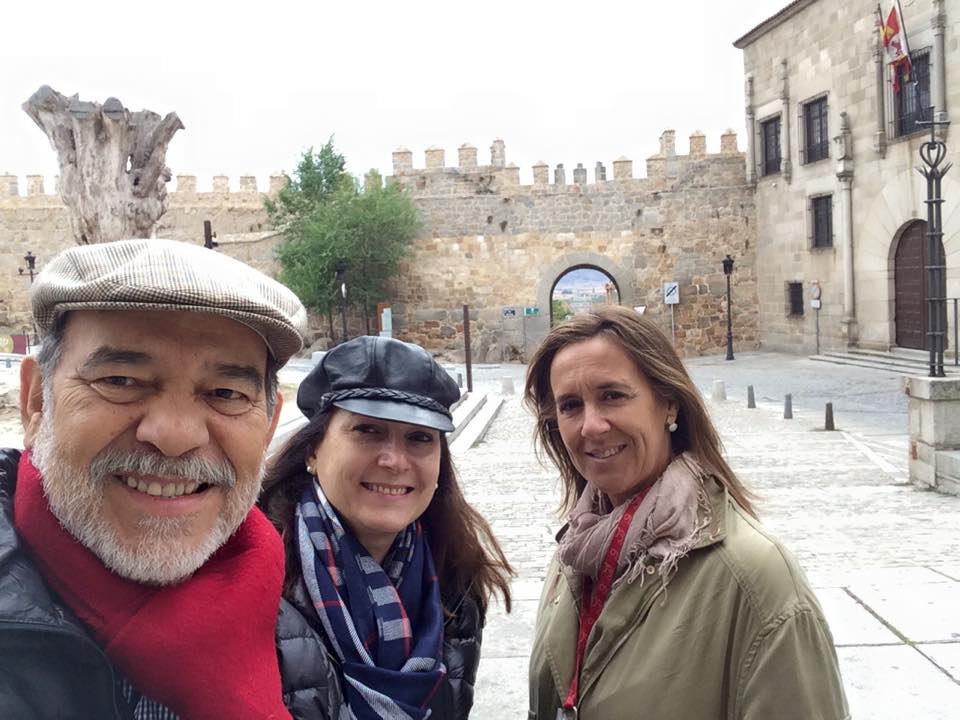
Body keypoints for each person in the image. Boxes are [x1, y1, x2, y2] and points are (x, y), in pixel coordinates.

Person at [0, 238, 338, 719]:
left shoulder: (296, 646)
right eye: (120, 381)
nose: (176, 436)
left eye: (225, 392)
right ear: (36, 402)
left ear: (267, 424)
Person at [524, 305, 849, 720]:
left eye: (612, 395)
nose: (591, 426)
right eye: (570, 405)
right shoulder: (575, 548)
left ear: (670, 405)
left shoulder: (754, 577)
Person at [261, 335, 514, 720]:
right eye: (368, 431)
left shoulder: (456, 584)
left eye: (419, 438)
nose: (394, 461)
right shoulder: (252, 581)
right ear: (313, 449)